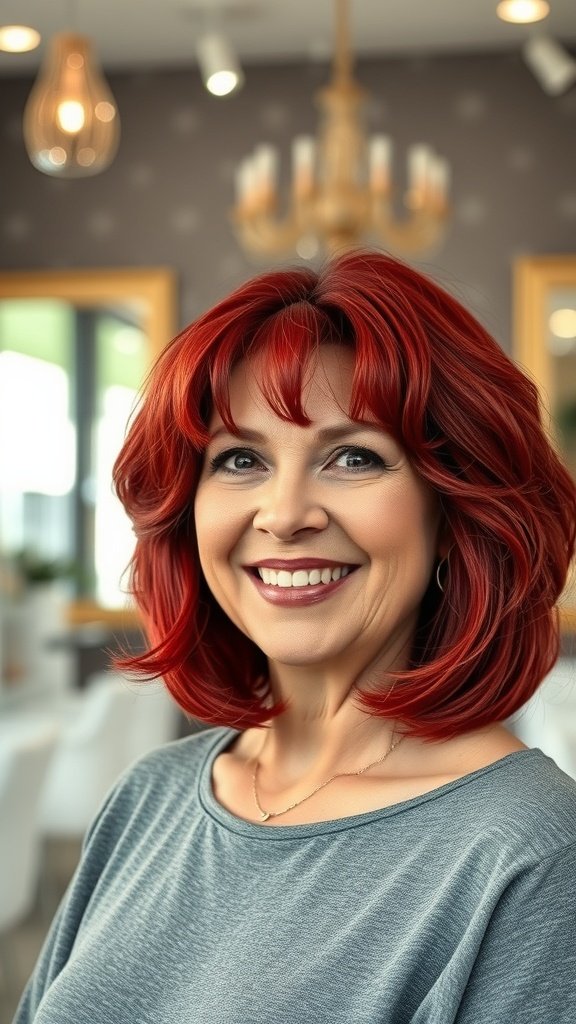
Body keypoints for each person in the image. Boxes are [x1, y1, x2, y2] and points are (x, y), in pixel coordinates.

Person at [15, 249, 576, 1024]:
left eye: (353, 457)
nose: (283, 514)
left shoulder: (531, 853)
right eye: (240, 458)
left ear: (455, 512)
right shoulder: (150, 794)